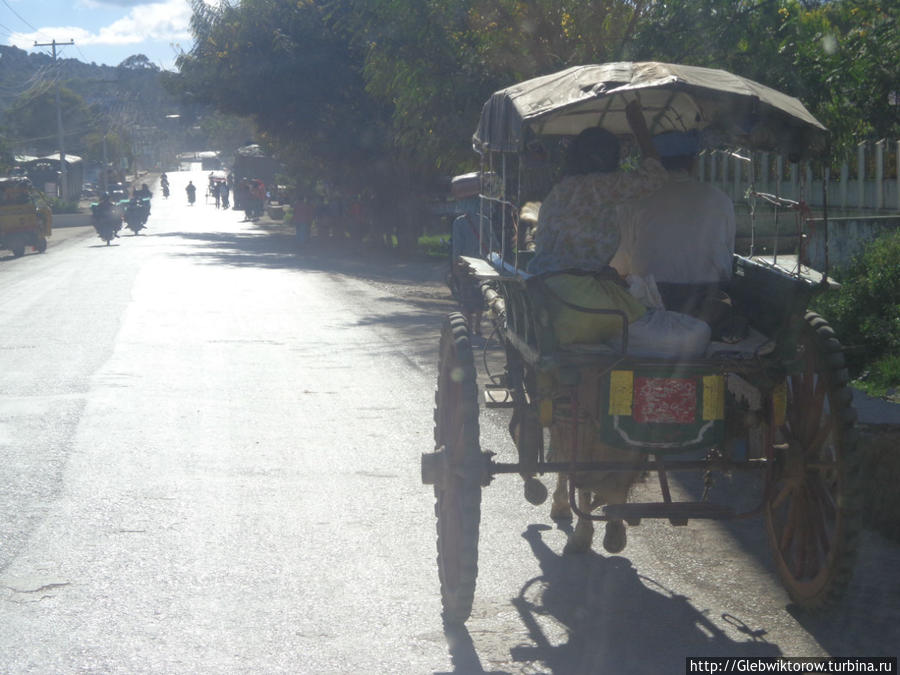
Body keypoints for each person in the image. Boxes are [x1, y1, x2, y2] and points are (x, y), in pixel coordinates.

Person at [527, 100, 668, 345]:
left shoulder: (562, 188)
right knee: (651, 318)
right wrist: (640, 129)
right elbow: (656, 176)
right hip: (576, 301)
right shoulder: (600, 185)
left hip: (545, 294)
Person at [609, 130, 741, 340]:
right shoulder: (720, 200)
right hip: (706, 307)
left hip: (650, 305)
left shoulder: (635, 201)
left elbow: (620, 266)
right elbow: (725, 266)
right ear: (692, 162)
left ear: (651, 162)